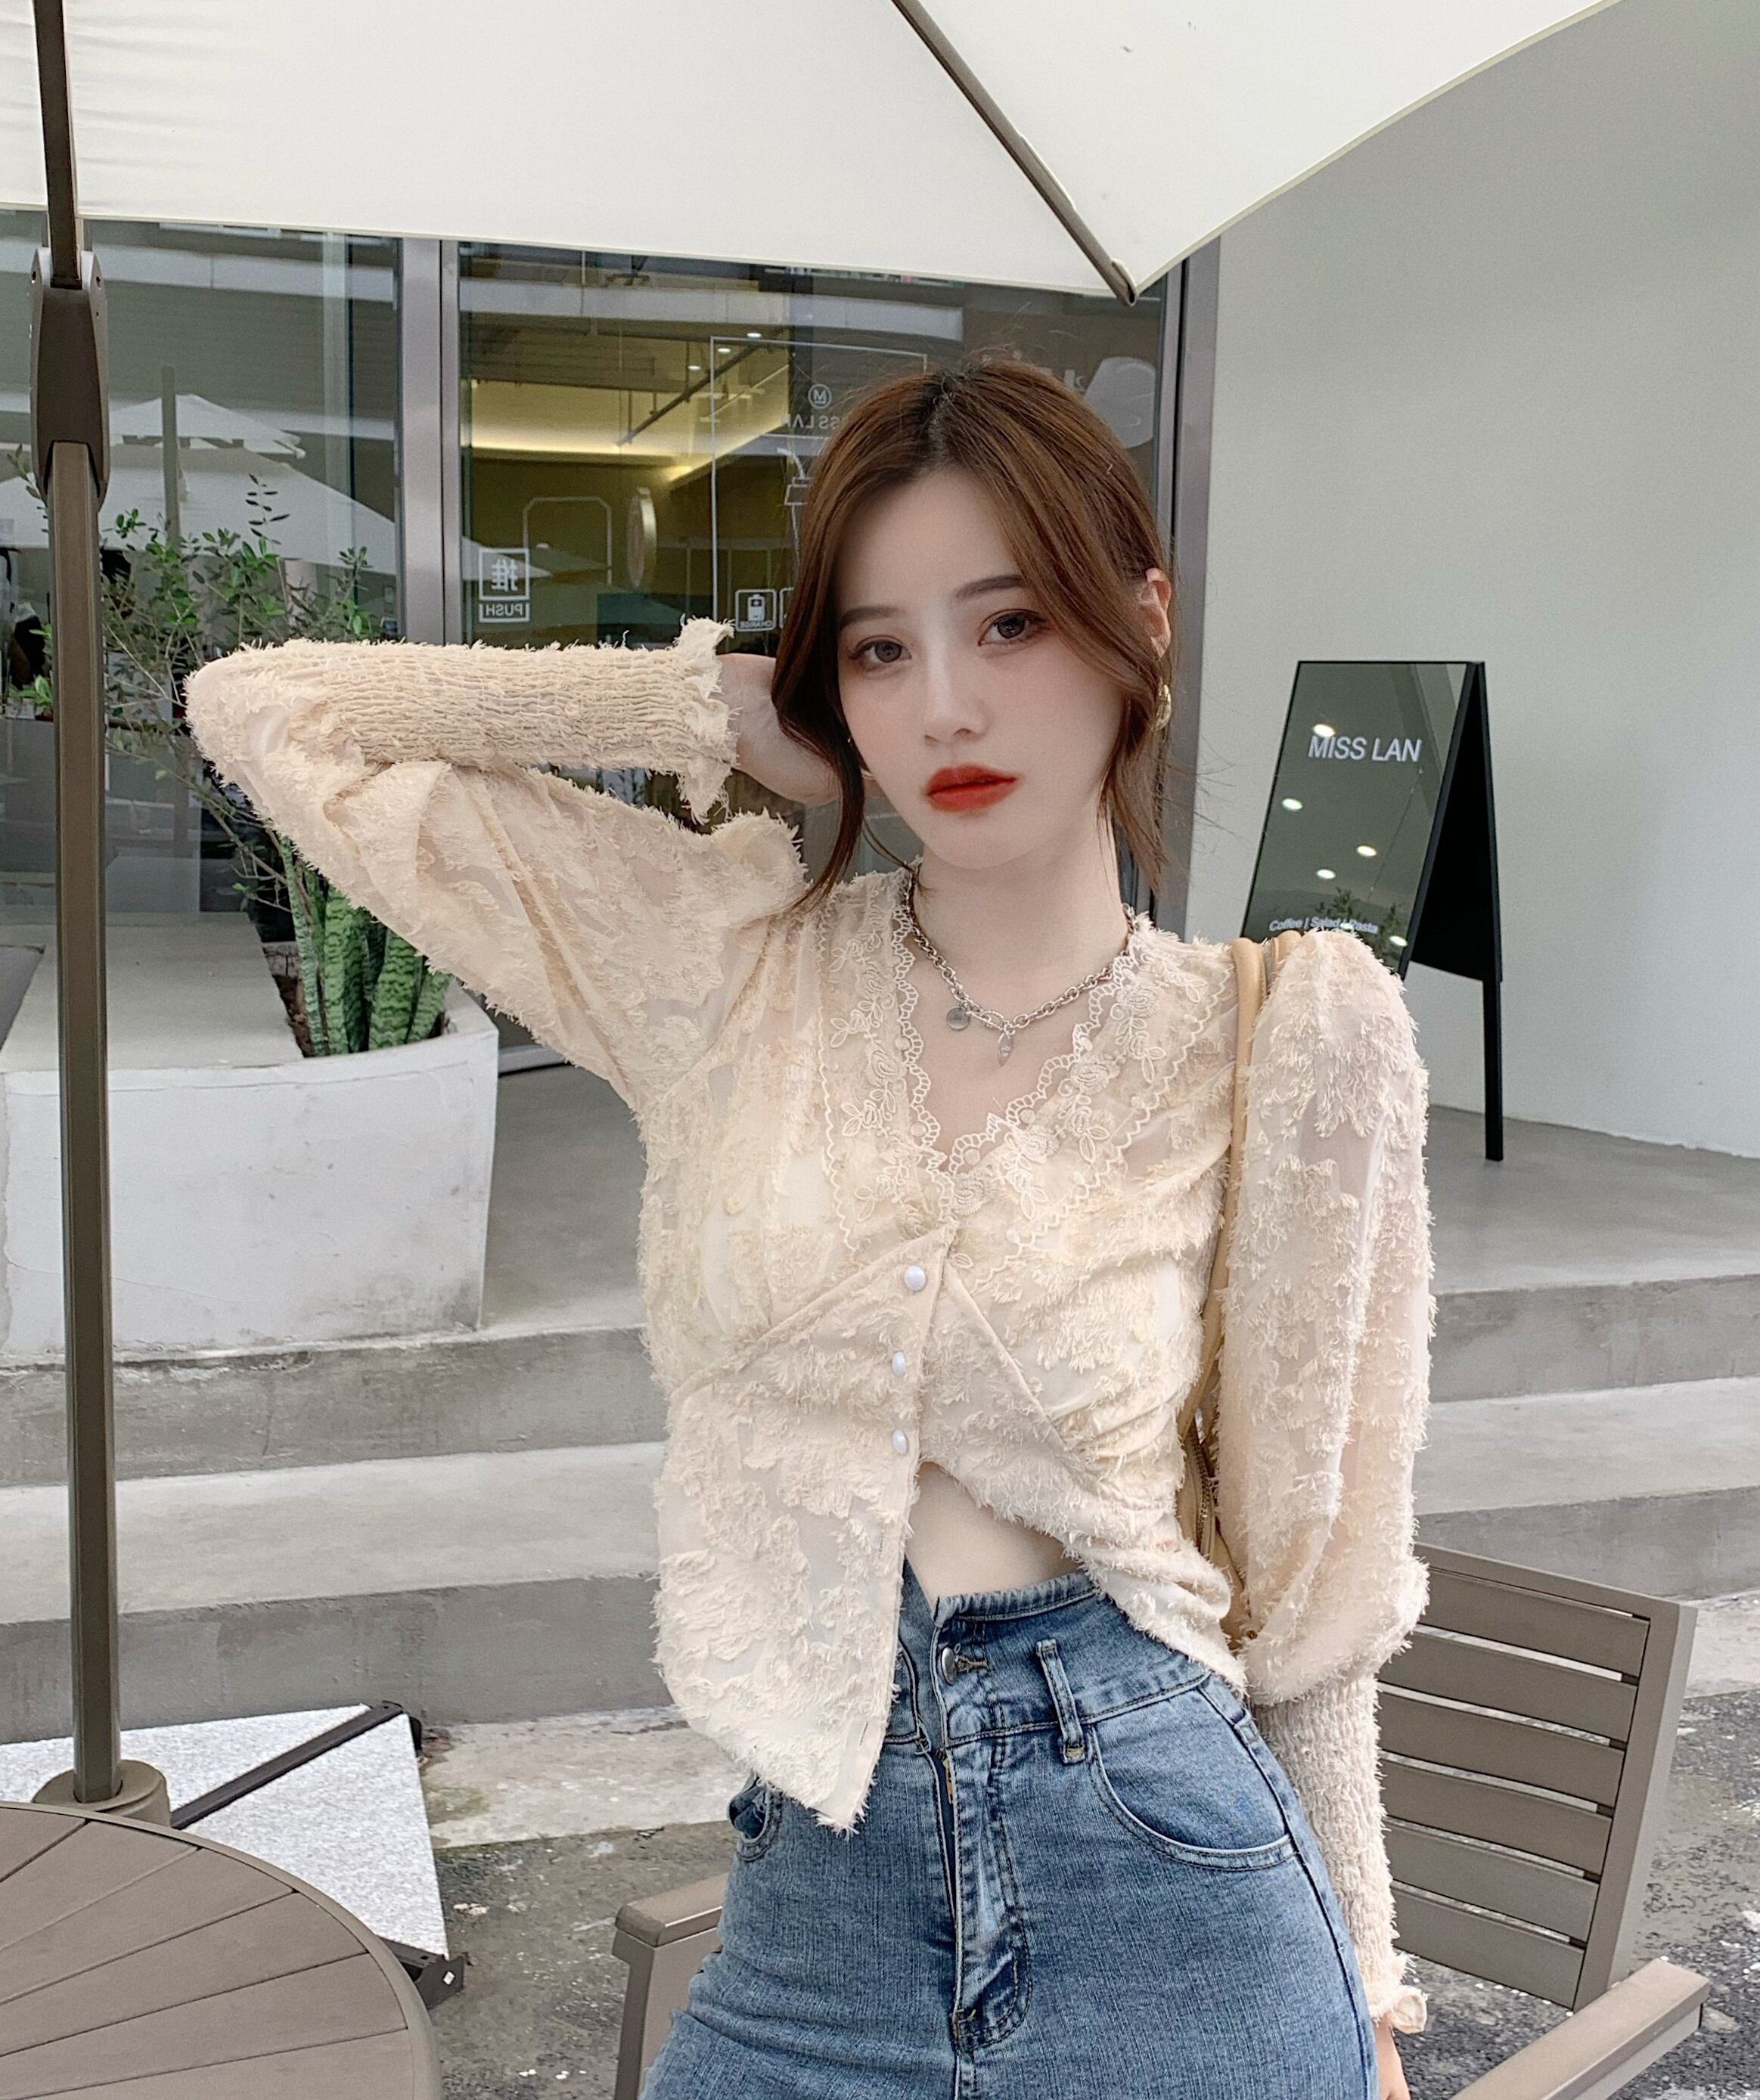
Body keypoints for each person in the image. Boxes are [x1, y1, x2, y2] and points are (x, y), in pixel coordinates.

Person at [185, 355, 1434, 2099]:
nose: (946, 707)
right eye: (878, 649)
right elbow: (267, 709)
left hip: (1172, 1875)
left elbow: (1318, 1588)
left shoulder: (1283, 1036)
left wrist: (1365, 1993)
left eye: (1009, 624)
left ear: (1142, 623)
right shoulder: (721, 969)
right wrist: (706, 707)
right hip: (818, 1901)